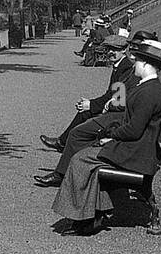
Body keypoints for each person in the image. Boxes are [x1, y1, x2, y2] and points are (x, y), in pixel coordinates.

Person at [51, 37, 161, 235]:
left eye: (137, 60)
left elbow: (133, 130)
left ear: (145, 64)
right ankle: (92, 215)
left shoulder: (149, 93)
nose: (134, 62)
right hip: (138, 149)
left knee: (80, 159)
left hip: (136, 154)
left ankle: (85, 219)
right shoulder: (149, 88)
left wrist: (112, 136)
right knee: (88, 153)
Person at [35, 31, 153, 186]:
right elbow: (115, 95)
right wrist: (103, 103)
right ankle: (65, 160)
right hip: (120, 114)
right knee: (82, 124)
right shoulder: (129, 69)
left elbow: (122, 100)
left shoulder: (133, 70)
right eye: (132, 47)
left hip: (121, 117)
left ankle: (62, 170)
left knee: (78, 132)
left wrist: (102, 105)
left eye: (115, 49)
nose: (111, 52)